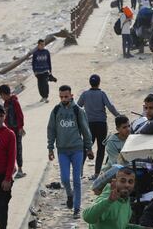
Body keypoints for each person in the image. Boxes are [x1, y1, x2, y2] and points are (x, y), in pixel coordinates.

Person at [47, 85, 94, 219]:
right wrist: (50, 148)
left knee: (77, 180)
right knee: (65, 179)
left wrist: (89, 147)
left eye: (66, 96)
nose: (64, 99)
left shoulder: (78, 110)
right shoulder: (56, 111)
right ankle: (69, 194)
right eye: (61, 97)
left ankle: (77, 208)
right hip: (62, 151)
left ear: (71, 95)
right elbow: (51, 130)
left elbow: (85, 130)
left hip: (77, 150)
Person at [77, 75, 120, 180]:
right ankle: (96, 173)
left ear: (90, 83)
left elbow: (77, 106)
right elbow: (110, 106)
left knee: (86, 147)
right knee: (101, 148)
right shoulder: (102, 94)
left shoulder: (85, 94)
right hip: (101, 124)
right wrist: (119, 116)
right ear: (99, 83)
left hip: (89, 125)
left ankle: (78, 172)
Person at [0, 104, 16, 229]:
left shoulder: (10, 134)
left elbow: (12, 158)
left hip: (3, 179)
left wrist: (7, 179)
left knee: (2, 207)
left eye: (1, 115)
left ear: (4, 116)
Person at [0, 85, 25, 178]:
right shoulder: (5, 103)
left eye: (1, 95)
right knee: (10, 149)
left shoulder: (14, 102)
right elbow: (5, 117)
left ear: (4, 94)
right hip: (10, 130)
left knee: (18, 149)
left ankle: (20, 169)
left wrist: (21, 127)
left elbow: (20, 115)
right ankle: (13, 168)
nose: (2, 97)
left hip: (17, 130)